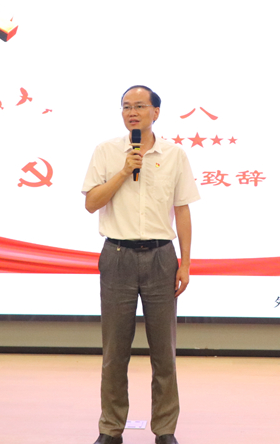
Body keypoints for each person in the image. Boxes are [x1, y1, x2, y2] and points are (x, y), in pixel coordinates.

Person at [82, 85, 199, 444]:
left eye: (139, 106)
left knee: (164, 353)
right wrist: (123, 172)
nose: (132, 112)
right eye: (126, 107)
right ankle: (110, 429)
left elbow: (182, 210)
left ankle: (165, 430)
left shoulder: (175, 154)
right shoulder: (106, 152)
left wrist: (185, 264)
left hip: (162, 258)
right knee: (114, 352)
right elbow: (91, 203)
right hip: (117, 256)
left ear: (155, 113)